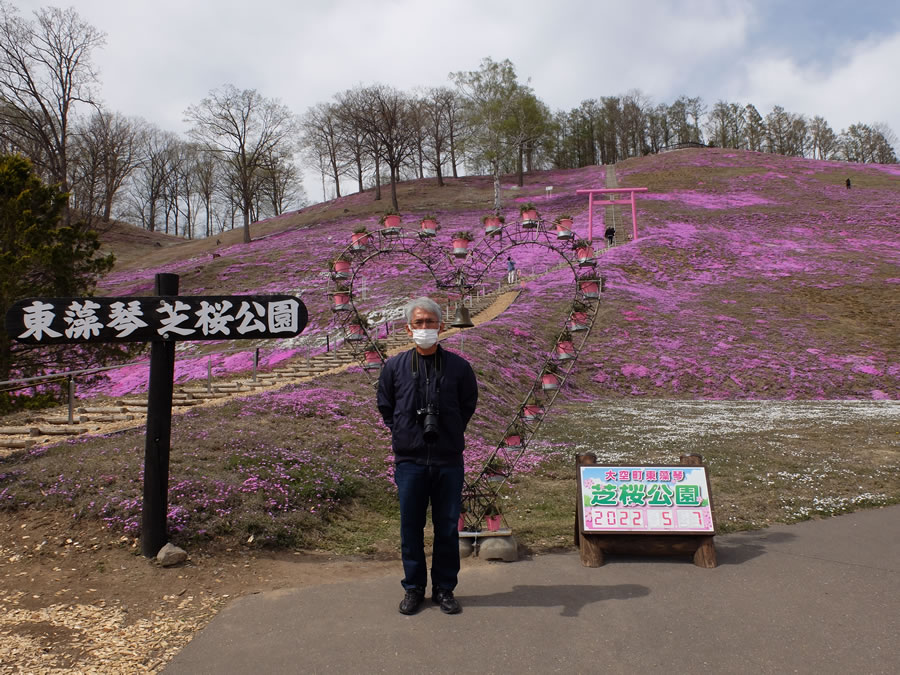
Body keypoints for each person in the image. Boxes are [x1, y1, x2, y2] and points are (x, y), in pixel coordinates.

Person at [377, 297, 478, 615]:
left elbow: (467, 405)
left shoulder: (460, 367)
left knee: (447, 527)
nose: (424, 328)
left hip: (448, 460)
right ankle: (414, 588)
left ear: (441, 326)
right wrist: (405, 432)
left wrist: (449, 431)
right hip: (409, 462)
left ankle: (445, 589)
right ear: (408, 329)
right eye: (418, 323)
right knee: (411, 528)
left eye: (430, 322)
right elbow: (386, 406)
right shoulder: (393, 367)